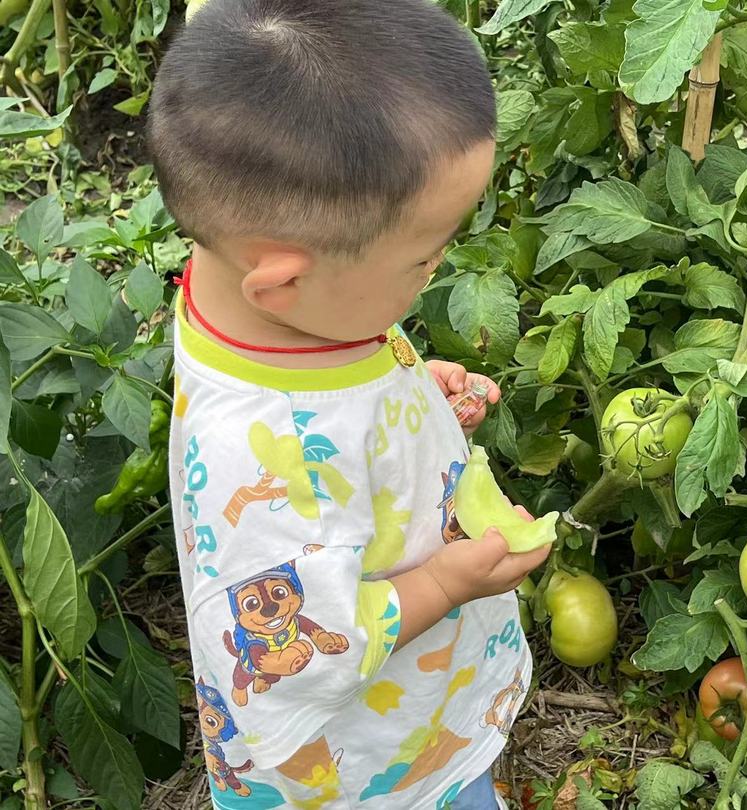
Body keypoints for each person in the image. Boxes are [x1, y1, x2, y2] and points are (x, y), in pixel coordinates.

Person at [148, 2, 550, 807]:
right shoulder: (262, 457)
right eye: (427, 256)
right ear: (285, 280)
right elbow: (299, 657)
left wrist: (403, 392)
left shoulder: (262, 304)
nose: (439, 268)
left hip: (404, 718)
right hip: (364, 771)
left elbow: (334, 394)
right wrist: (451, 581)